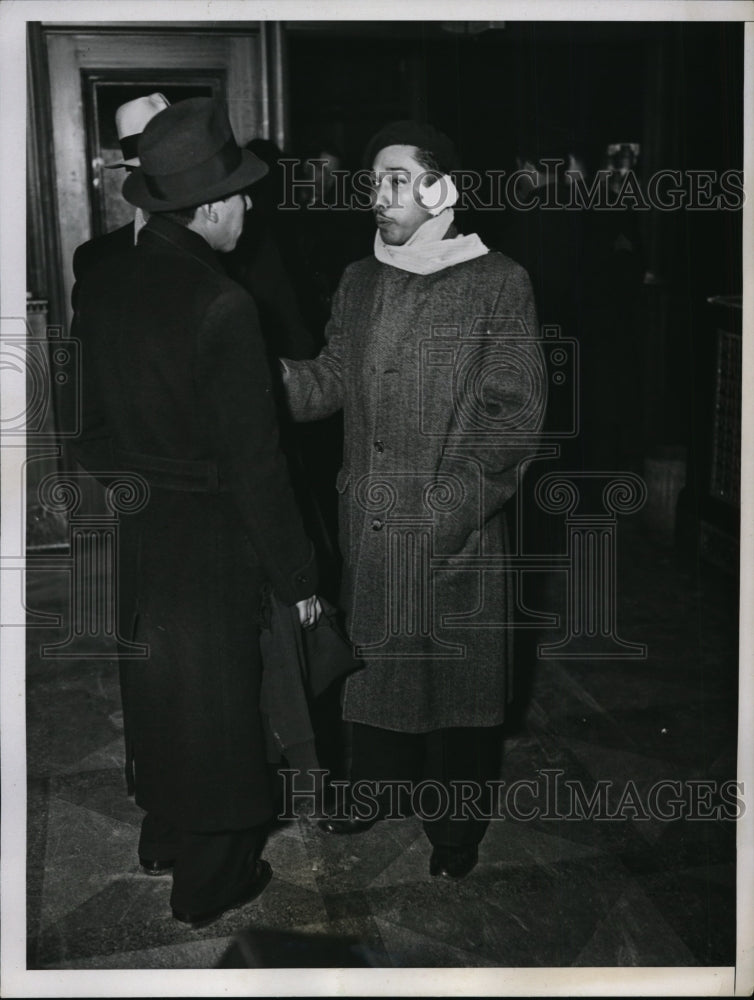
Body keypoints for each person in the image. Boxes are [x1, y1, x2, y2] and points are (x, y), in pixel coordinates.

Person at [72, 97, 321, 925]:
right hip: (218, 538)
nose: (248, 206)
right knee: (222, 710)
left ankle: (166, 834)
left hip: (143, 530)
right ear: (210, 207)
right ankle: (210, 883)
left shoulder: (104, 282)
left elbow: (86, 431)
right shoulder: (223, 303)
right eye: (240, 193)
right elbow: (257, 465)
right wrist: (299, 575)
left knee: (161, 692)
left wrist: (147, 485)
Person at [281, 120, 546, 879]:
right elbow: (332, 377)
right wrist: (268, 377)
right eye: (374, 182)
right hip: (369, 522)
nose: (380, 196)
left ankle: (455, 829)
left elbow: (512, 418)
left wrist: (444, 513)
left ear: (442, 189)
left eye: (397, 180)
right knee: (374, 672)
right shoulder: (360, 278)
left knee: (456, 687)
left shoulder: (498, 281)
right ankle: (373, 789)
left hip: (452, 530)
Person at [71, 92, 170, 310]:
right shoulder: (93, 257)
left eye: (168, 171)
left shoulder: (220, 247)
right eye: (142, 172)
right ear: (129, 177)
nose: (157, 184)